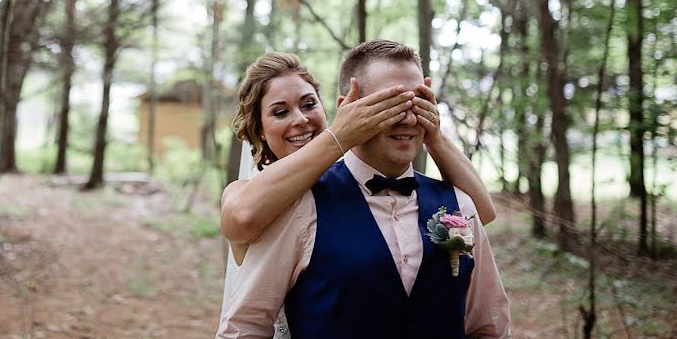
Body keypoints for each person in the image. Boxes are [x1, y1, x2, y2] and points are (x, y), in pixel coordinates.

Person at [217, 40, 511, 338]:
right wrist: (340, 135)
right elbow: (244, 323)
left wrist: (431, 132)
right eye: (280, 112)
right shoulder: (275, 201)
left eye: (309, 105)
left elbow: (481, 214)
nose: (301, 120)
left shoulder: (453, 200)